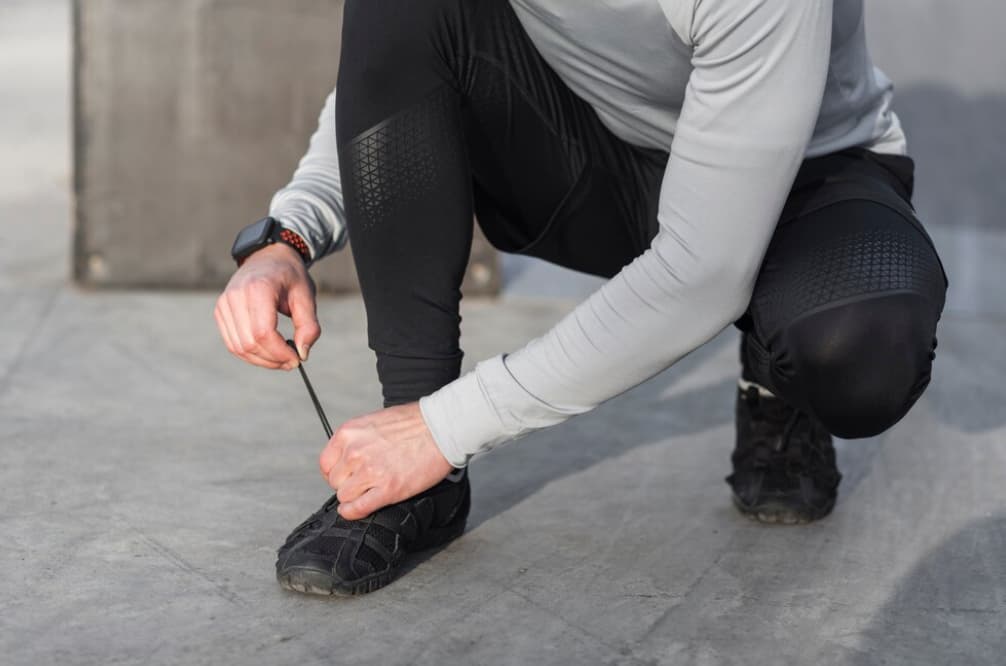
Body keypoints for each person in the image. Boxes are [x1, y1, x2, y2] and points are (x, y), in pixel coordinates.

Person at [215, 0, 947, 597]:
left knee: (860, 349)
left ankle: (774, 376)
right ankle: (414, 474)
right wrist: (290, 233)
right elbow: (397, 59)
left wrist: (452, 424)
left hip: (807, 183)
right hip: (609, 157)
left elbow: (704, 267)